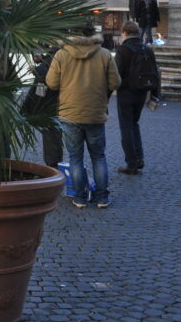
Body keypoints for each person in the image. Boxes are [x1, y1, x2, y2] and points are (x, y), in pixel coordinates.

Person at [46, 22, 120, 210]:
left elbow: (51, 83)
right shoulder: (104, 54)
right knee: (98, 156)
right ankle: (102, 197)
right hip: (95, 112)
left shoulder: (62, 54)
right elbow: (115, 82)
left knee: (75, 157)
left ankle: (79, 197)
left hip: (69, 112)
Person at [113, 20, 160, 175]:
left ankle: (131, 162)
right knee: (134, 124)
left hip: (126, 92)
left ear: (124, 33)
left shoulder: (122, 50)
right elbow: (156, 73)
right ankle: (139, 158)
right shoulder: (147, 49)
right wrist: (155, 96)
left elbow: (116, 75)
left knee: (126, 127)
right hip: (142, 91)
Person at [22, 47, 62, 168]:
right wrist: (41, 60)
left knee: (52, 131)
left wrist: (38, 68)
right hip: (52, 101)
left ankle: (53, 163)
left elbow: (50, 77)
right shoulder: (56, 51)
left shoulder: (60, 52)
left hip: (52, 102)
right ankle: (53, 162)